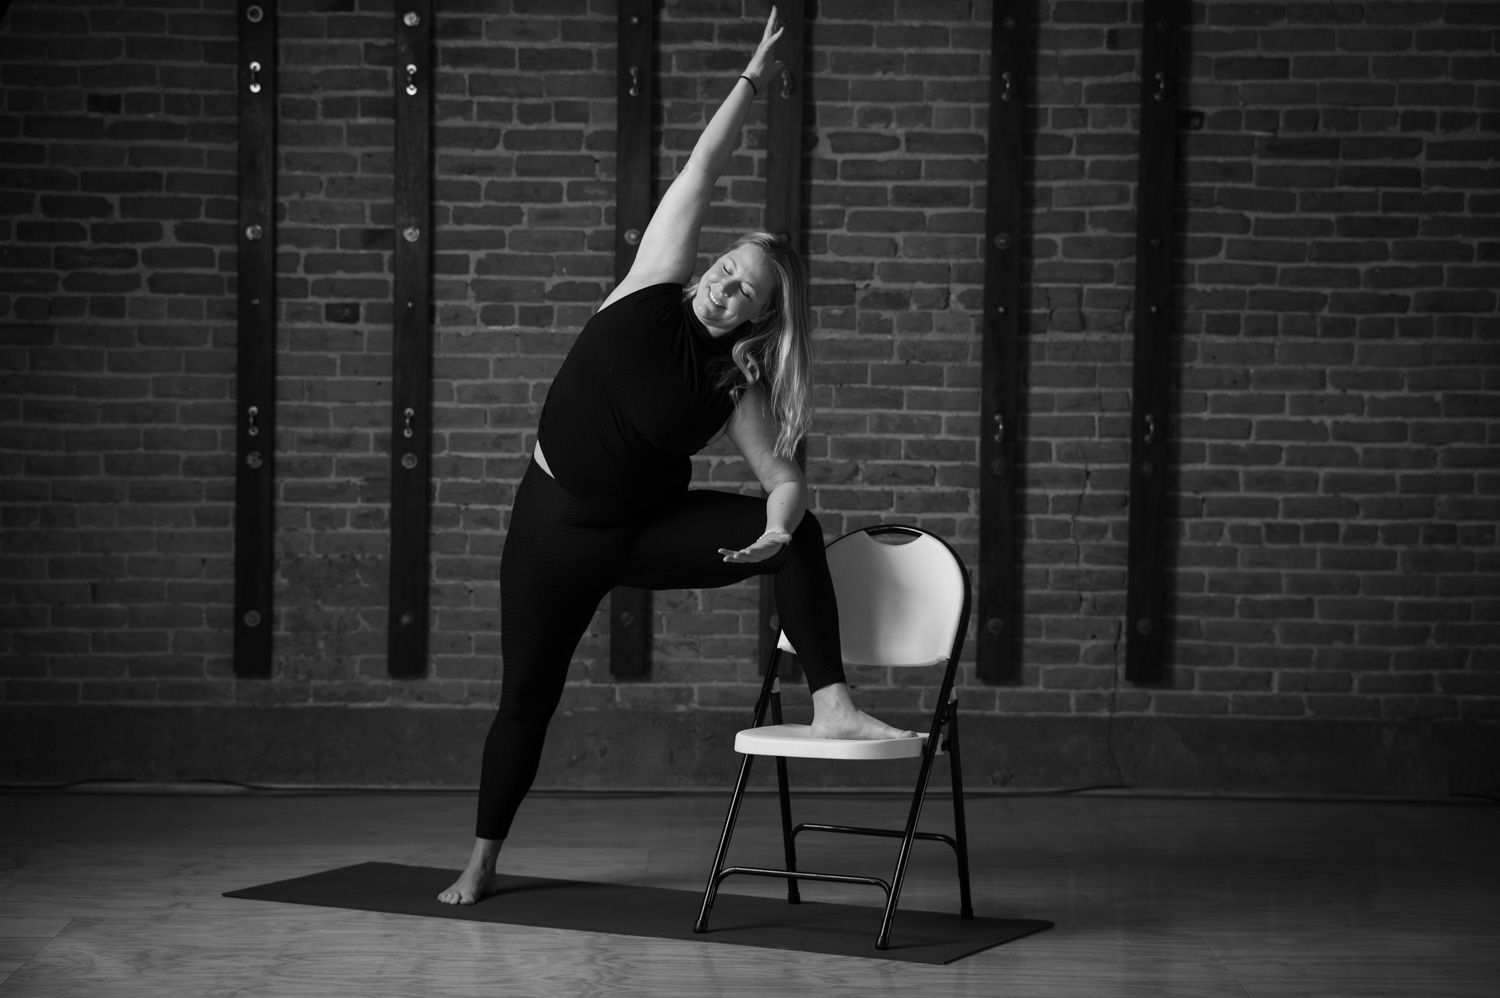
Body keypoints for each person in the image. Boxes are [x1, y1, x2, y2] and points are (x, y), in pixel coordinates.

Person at [439, 7, 912, 907]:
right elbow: (703, 166)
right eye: (729, 266)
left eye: (748, 291)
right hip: (550, 530)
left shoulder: (735, 380)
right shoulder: (650, 284)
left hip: (642, 531)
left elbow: (783, 477)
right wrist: (750, 77)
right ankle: (483, 858)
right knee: (524, 703)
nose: (727, 284)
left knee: (801, 529)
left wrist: (775, 527)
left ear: (760, 318)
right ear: (709, 266)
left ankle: (832, 703)